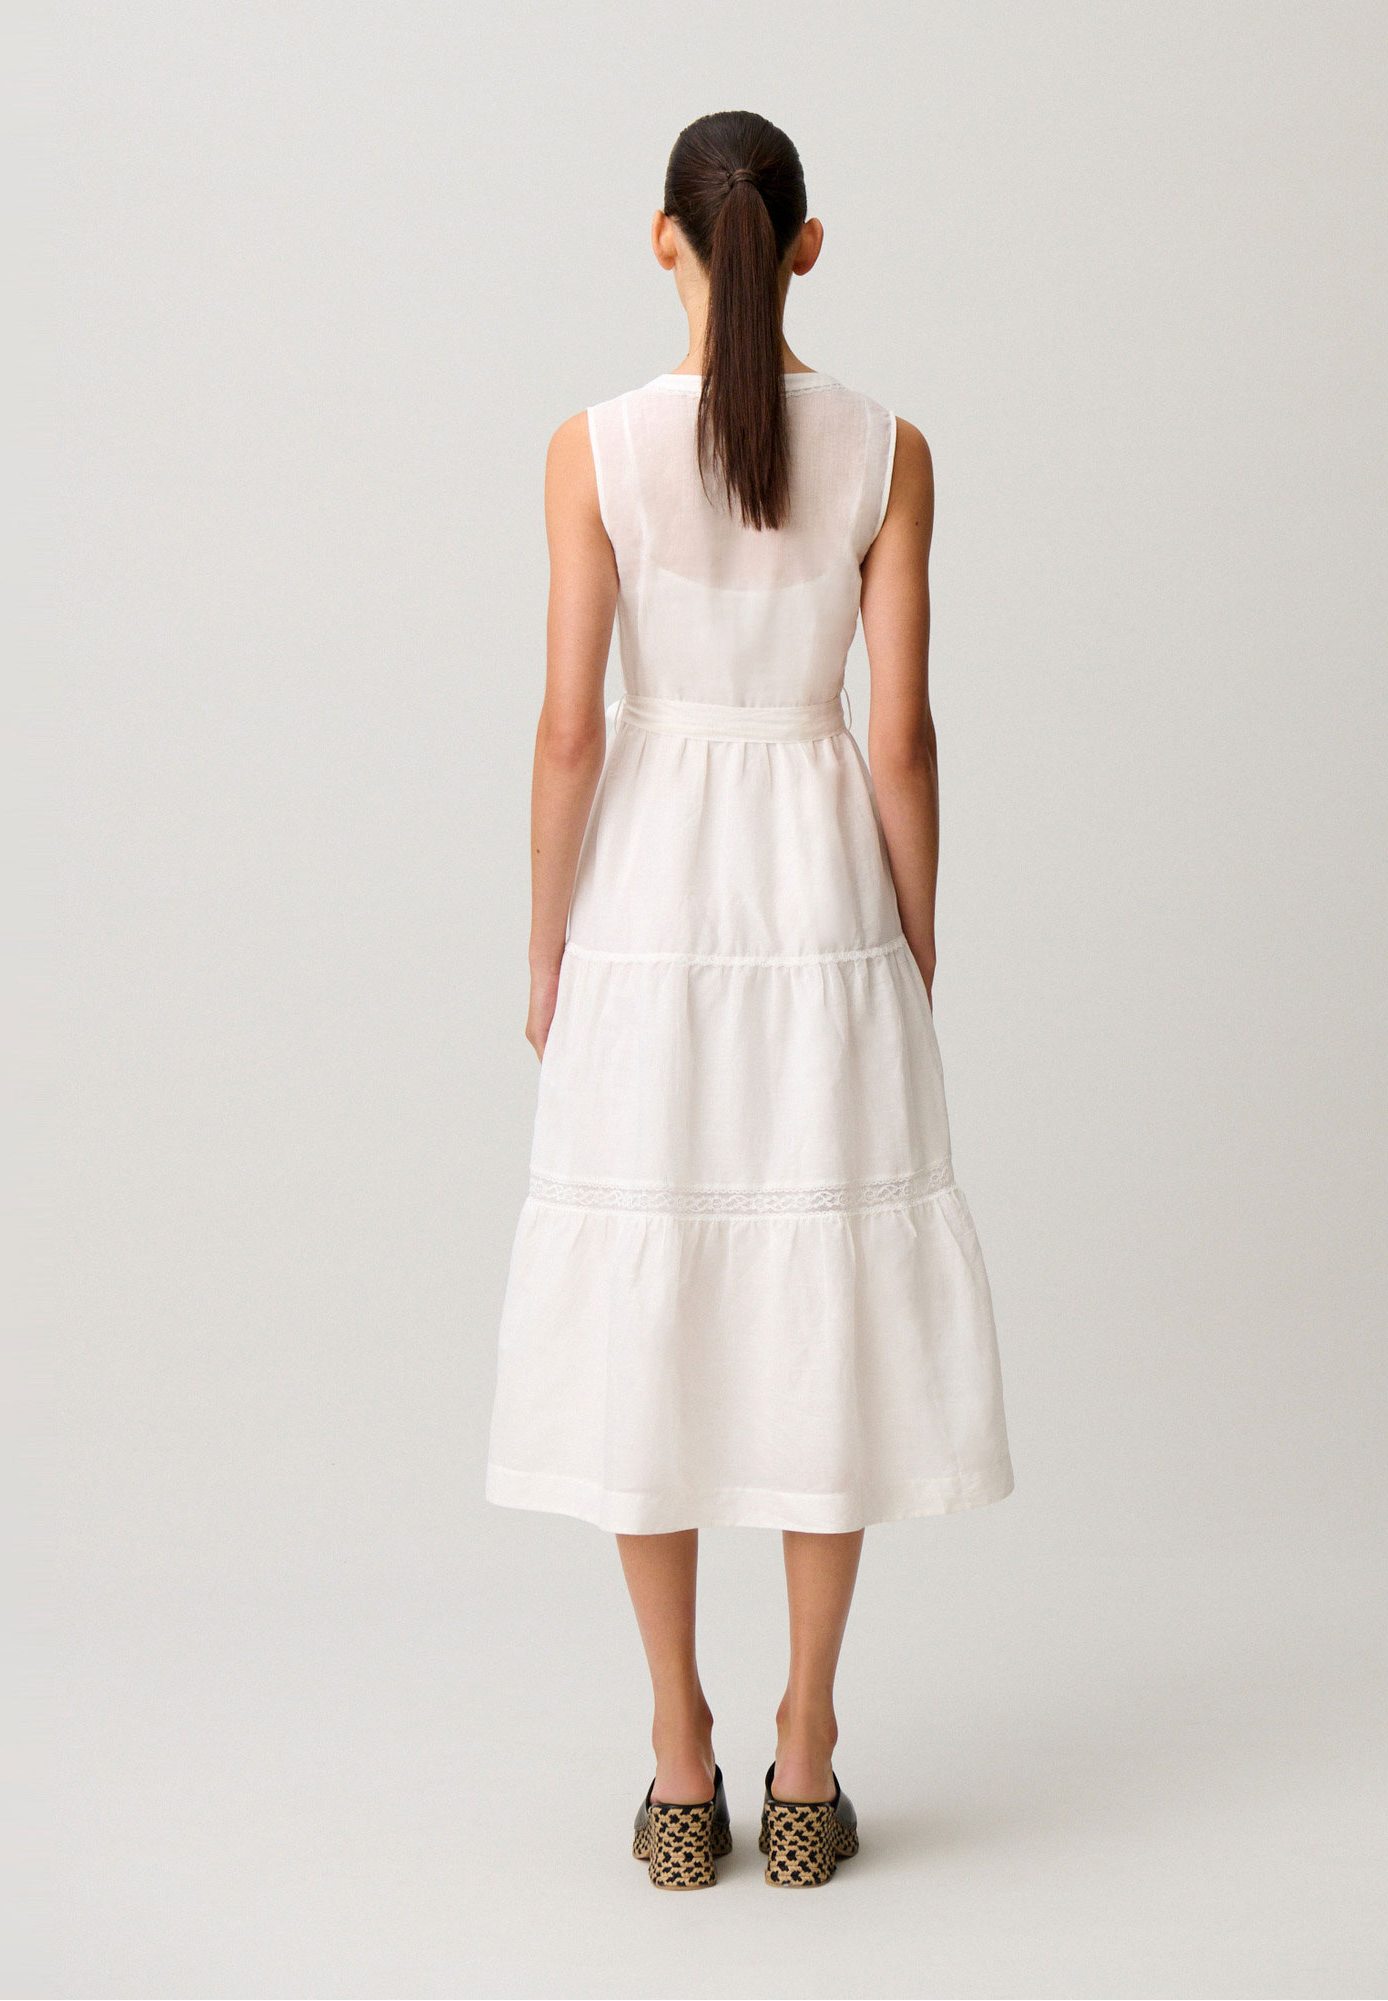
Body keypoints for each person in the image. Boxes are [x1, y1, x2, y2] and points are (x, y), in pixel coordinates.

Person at [487, 109, 1012, 1890]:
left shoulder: (590, 450)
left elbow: (568, 730)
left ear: (662, 242)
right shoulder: (890, 449)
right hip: (813, 886)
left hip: (649, 893)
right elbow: (901, 732)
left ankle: (673, 1759)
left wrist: (547, 944)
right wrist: (913, 938)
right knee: (817, 1303)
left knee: (649, 1296)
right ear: (804, 246)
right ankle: (806, 1753)